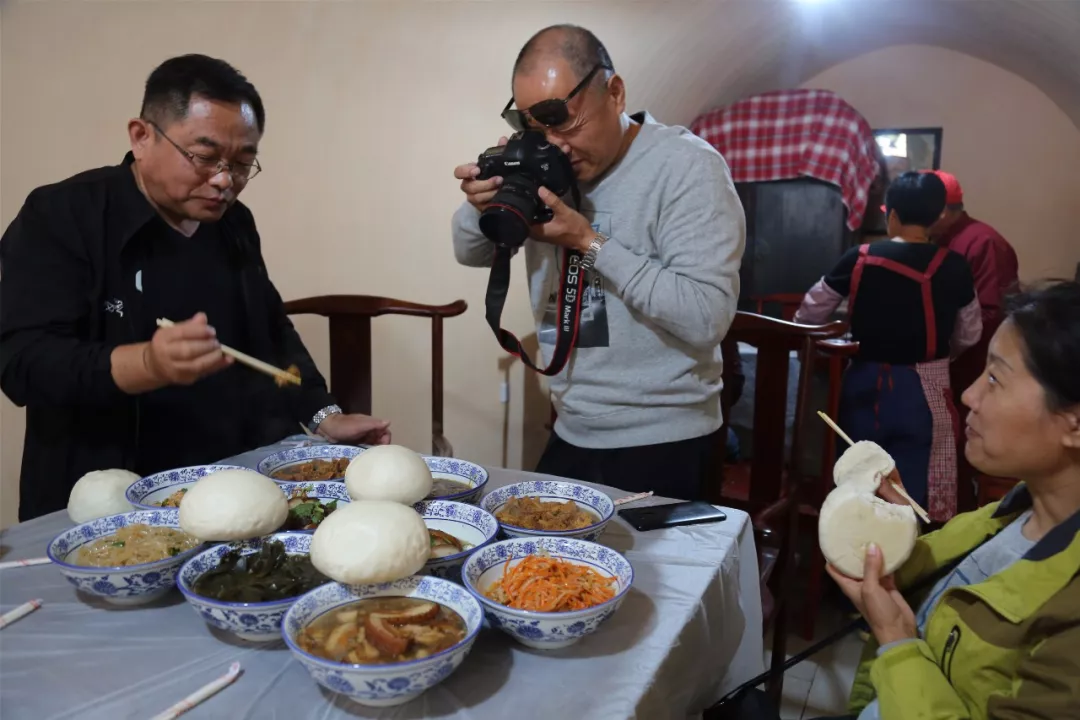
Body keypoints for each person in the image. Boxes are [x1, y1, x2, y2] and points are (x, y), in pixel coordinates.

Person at [0, 55, 391, 522]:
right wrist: (146, 363)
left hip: (229, 484)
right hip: (102, 497)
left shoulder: (233, 223)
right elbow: (21, 361)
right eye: (204, 158)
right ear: (141, 136)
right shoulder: (63, 214)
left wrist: (325, 415)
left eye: (243, 163)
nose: (225, 181)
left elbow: (270, 329)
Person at [451, 25, 745, 500]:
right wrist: (481, 205)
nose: (554, 143)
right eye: (532, 125)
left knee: (656, 577)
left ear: (614, 91)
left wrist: (588, 240)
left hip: (667, 435)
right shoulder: (547, 161)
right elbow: (472, 252)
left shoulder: (687, 167)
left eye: (561, 120)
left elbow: (706, 316)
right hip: (572, 427)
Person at [820, 280, 1080, 720]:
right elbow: (937, 593)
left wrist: (897, 641)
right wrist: (894, 535)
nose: (969, 395)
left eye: (995, 378)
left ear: (1074, 425)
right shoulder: (1011, 514)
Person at [794, 172, 981, 521]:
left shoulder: (858, 257)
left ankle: (850, 556)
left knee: (857, 474)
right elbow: (970, 331)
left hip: (863, 385)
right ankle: (905, 561)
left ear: (890, 214)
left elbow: (809, 313)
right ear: (939, 215)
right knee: (910, 490)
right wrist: (943, 353)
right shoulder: (954, 265)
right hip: (924, 392)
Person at [928, 170, 1020, 511]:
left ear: (941, 213)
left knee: (963, 453)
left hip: (973, 366)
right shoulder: (941, 240)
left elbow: (991, 314)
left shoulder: (982, 242)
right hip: (947, 366)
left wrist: (941, 345)